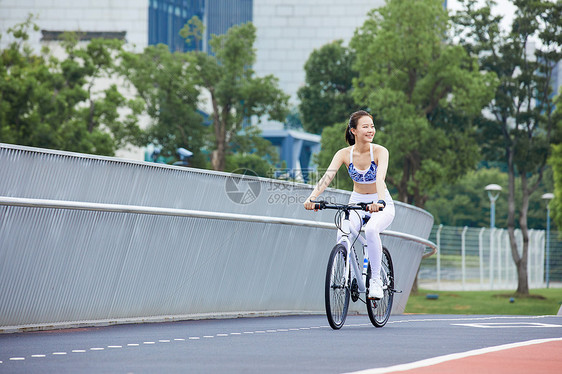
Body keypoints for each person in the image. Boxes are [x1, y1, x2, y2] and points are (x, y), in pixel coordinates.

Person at [304, 110, 395, 299]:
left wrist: (378, 201)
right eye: (365, 126)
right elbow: (327, 177)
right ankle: (350, 274)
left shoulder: (380, 151)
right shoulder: (344, 154)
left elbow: (380, 178)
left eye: (372, 126)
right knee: (343, 233)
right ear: (353, 130)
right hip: (356, 201)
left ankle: (375, 280)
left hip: (381, 202)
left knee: (371, 230)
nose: (371, 130)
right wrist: (311, 198)